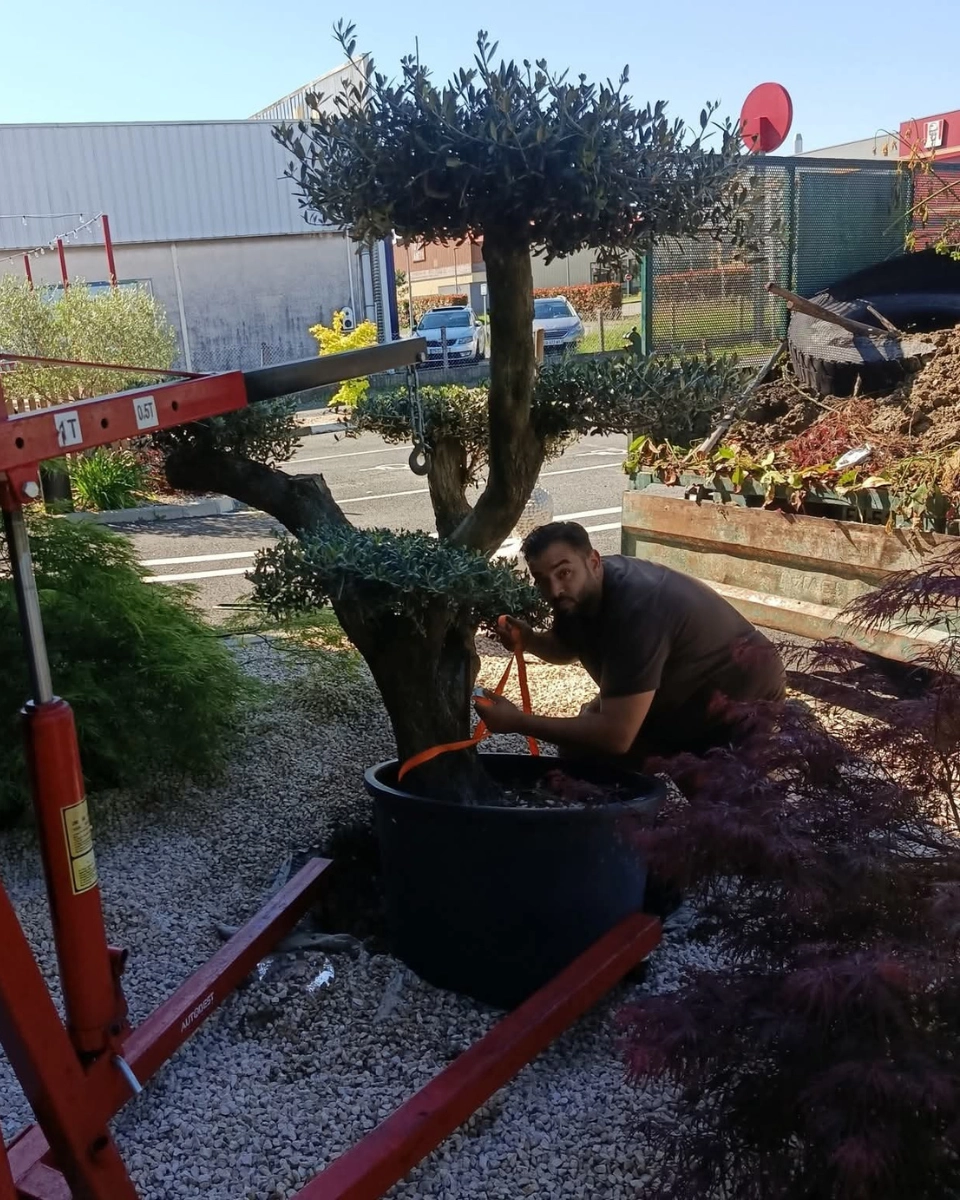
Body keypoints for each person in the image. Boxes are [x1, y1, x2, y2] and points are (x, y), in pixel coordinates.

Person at [475, 521, 786, 764]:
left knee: (721, 809)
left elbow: (615, 736)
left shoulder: (637, 608)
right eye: (542, 579)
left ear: (594, 561)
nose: (554, 589)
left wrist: (517, 722)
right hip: (675, 695)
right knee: (581, 753)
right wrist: (529, 640)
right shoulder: (577, 594)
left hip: (740, 696)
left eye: (563, 573)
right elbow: (568, 647)